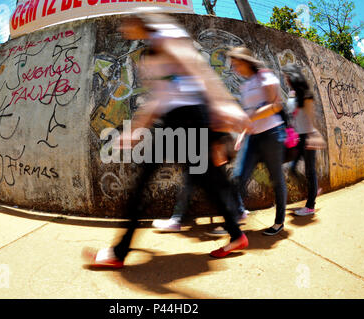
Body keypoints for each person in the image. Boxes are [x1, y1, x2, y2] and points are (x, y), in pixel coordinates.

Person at [82, 8, 252, 268]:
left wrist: (226, 107)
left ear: (140, 21)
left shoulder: (166, 37)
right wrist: (136, 130)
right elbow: (159, 98)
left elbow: (201, 74)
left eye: (127, 21)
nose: (123, 28)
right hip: (178, 120)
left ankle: (119, 252)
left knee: (143, 183)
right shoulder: (150, 52)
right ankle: (237, 234)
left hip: (188, 118)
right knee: (205, 180)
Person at [208, 46, 287, 236]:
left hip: (272, 133)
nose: (235, 69)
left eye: (237, 64)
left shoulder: (265, 77)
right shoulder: (246, 85)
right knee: (238, 176)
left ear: (246, 61)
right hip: (253, 137)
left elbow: (275, 106)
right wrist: (242, 135)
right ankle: (232, 221)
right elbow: (249, 114)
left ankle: (279, 222)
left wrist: (248, 118)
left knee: (277, 179)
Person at [282, 63, 325, 216]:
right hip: (297, 137)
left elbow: (311, 117)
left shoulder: (305, 95)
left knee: (309, 171)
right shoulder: (291, 94)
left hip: (307, 136)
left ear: (293, 77)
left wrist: (313, 136)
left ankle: (310, 205)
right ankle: (313, 191)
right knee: (293, 169)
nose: (285, 79)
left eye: (287, 76)